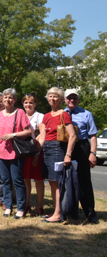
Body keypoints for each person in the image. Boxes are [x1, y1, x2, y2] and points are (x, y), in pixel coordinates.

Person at [38, 87, 77, 223]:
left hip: (58, 149)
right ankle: (56, 211)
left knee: (58, 183)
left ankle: (58, 214)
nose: (52, 99)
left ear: (60, 99)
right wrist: (36, 152)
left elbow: (72, 136)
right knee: (52, 183)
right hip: (47, 149)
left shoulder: (64, 114)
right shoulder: (46, 116)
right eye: (50, 96)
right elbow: (42, 137)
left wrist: (68, 155)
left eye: (55, 96)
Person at [0, 88, 32, 219]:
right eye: (5, 97)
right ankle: (8, 207)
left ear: (15, 100)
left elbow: (28, 131)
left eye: (10, 97)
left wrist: (13, 135)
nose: (7, 100)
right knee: (5, 180)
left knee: (17, 180)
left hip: (15, 152)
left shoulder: (20, 112)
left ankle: (21, 208)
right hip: (1, 152)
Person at [64, 89, 99, 224]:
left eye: (74, 98)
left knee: (84, 181)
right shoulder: (62, 113)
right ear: (65, 99)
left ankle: (90, 213)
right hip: (65, 147)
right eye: (69, 98)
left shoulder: (86, 114)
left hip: (82, 147)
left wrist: (93, 153)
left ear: (78, 99)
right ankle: (71, 212)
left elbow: (93, 135)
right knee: (68, 181)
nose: (71, 100)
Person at [22, 94, 45, 216]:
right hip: (23, 151)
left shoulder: (40, 116)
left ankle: (39, 206)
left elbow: (42, 134)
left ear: (35, 104)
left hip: (36, 150)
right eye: (26, 102)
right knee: (25, 179)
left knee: (38, 180)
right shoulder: (20, 114)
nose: (28, 105)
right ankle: (26, 205)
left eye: (31, 102)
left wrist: (37, 153)